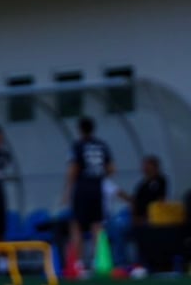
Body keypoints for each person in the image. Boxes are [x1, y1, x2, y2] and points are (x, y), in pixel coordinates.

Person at [63, 115, 115, 276]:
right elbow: (112, 169)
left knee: (76, 225)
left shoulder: (78, 146)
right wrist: (99, 177)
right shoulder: (102, 146)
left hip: (82, 189)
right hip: (97, 188)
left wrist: (67, 191)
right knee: (97, 225)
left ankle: (78, 264)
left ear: (80, 129)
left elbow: (74, 169)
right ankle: (98, 262)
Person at [115, 154, 168, 276]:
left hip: (150, 218)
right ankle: (121, 263)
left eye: (147, 165)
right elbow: (135, 202)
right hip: (135, 218)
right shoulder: (142, 184)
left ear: (155, 166)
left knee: (143, 231)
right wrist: (133, 216)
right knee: (117, 229)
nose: (144, 168)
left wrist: (146, 218)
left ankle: (144, 264)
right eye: (143, 166)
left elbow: (160, 202)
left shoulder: (161, 181)